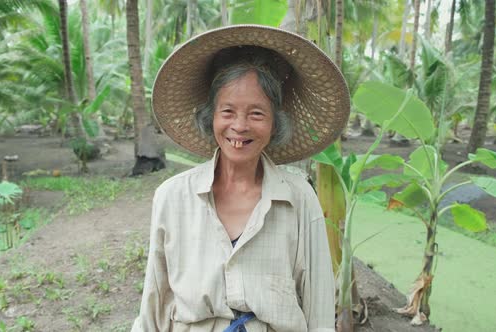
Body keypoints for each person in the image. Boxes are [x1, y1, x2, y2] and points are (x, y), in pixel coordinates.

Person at [131, 25, 350, 332]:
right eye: (228, 111)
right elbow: (154, 300)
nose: (240, 126)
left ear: (275, 123)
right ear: (212, 117)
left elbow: (319, 309)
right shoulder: (172, 196)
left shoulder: (298, 197)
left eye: (257, 114)